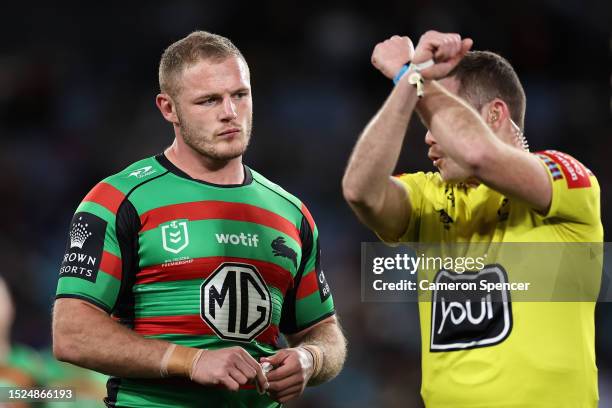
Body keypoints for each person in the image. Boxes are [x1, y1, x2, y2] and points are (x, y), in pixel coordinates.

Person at [53, 31, 346, 408]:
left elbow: (324, 331)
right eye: (208, 100)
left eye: (239, 95)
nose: (230, 112)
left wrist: (311, 359)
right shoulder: (118, 200)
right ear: (168, 108)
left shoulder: (291, 212)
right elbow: (72, 333)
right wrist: (191, 361)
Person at [342, 31, 603, 407]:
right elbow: (359, 190)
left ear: (495, 114)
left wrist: (406, 73)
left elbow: (478, 153)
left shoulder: (565, 179)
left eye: (444, 115)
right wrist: (409, 82)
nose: (429, 137)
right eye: (425, 118)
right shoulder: (428, 195)